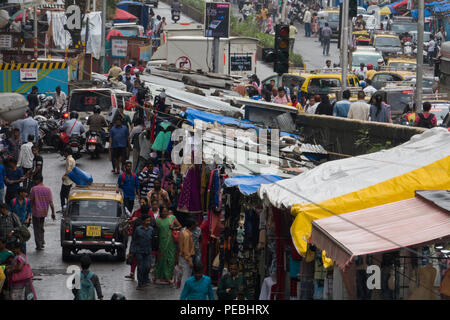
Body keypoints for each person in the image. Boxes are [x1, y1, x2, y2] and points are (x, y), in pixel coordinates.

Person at [154, 206, 181, 284]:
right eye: (163, 212)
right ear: (160, 212)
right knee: (161, 259)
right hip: (162, 242)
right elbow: (156, 233)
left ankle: (168, 277)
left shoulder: (172, 218)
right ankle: (158, 275)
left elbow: (180, 226)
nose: (165, 213)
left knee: (170, 259)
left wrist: (174, 228)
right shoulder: (158, 221)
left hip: (171, 242)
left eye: (166, 211)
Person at [29, 174, 55, 250]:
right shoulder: (48, 189)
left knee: (36, 228)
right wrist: (53, 213)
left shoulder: (34, 189)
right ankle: (42, 241)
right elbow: (51, 202)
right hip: (44, 212)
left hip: (36, 212)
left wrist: (28, 211)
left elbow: (31, 201)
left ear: (37, 180)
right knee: (41, 226)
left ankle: (39, 244)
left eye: (34, 180)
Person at [131, 213, 154, 290]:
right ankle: (140, 283)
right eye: (147, 221)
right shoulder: (138, 229)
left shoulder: (151, 229)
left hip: (148, 251)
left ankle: (145, 279)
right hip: (139, 251)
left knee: (147, 267)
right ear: (143, 221)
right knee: (140, 267)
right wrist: (132, 251)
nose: (148, 222)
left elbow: (153, 240)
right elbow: (134, 240)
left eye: (149, 221)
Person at [178, 219, 196, 290]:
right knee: (186, 276)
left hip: (182, 257)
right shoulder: (187, 235)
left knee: (184, 275)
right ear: (192, 226)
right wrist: (189, 260)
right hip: (186, 258)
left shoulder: (183, 232)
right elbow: (186, 250)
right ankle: (184, 292)